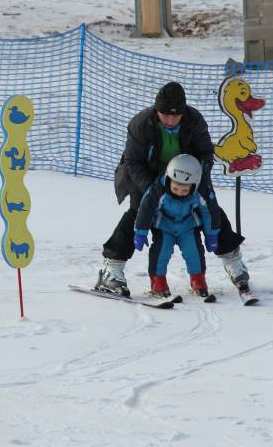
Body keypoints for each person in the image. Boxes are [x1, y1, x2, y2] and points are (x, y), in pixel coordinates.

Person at [95, 81, 250, 297]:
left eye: (175, 116)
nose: (170, 120)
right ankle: (112, 268)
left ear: (183, 112)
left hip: (188, 176)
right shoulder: (141, 124)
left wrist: (196, 178)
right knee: (137, 213)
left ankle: (233, 260)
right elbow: (133, 162)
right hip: (147, 177)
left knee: (210, 208)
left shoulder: (194, 121)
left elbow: (206, 153)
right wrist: (152, 191)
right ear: (156, 110)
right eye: (165, 115)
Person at [134, 154, 215, 298]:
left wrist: (211, 235)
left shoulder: (201, 192)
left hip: (188, 226)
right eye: (175, 189)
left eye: (185, 191)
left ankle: (198, 279)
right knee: (161, 253)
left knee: (194, 252)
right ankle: (158, 282)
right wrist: (140, 232)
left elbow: (209, 212)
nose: (179, 193)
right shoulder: (157, 190)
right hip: (164, 226)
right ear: (168, 180)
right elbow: (146, 209)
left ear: (194, 185)